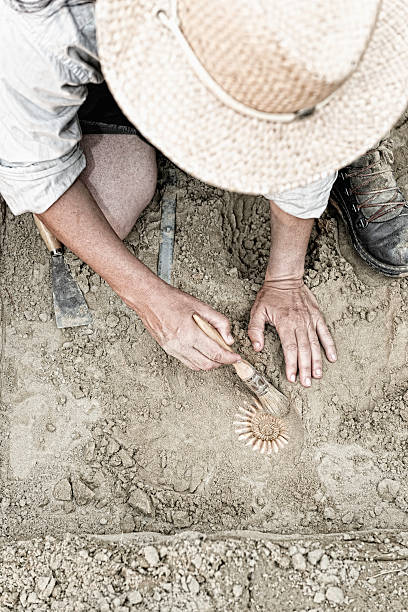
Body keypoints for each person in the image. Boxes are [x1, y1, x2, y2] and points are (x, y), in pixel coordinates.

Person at [1, 0, 407, 389]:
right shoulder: (41, 28)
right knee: (106, 213)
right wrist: (152, 301)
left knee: (320, 113)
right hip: (95, 57)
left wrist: (285, 277)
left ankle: (354, 145)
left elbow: (308, 123)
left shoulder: (320, 22)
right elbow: (38, 171)